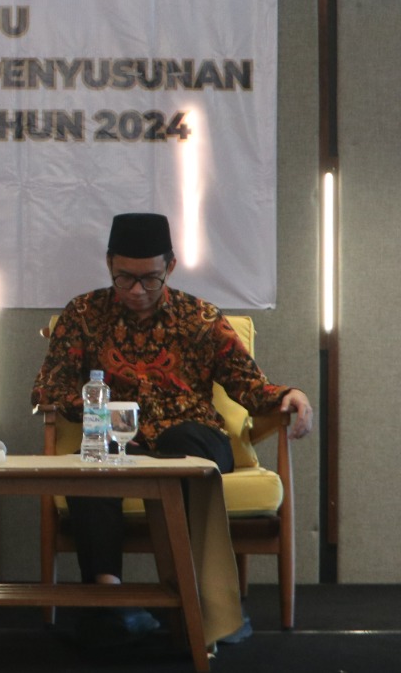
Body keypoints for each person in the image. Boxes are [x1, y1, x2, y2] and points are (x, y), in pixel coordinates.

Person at [31, 212, 314, 644]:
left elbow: (248, 384)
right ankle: (109, 600)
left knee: (180, 444)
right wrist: (101, 410)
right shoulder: (83, 314)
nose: (137, 291)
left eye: (150, 279)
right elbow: (48, 387)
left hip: (193, 434)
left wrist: (288, 395)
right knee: (92, 463)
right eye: (125, 278)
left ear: (171, 267)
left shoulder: (200, 318)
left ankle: (203, 600)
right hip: (120, 439)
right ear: (108, 263)